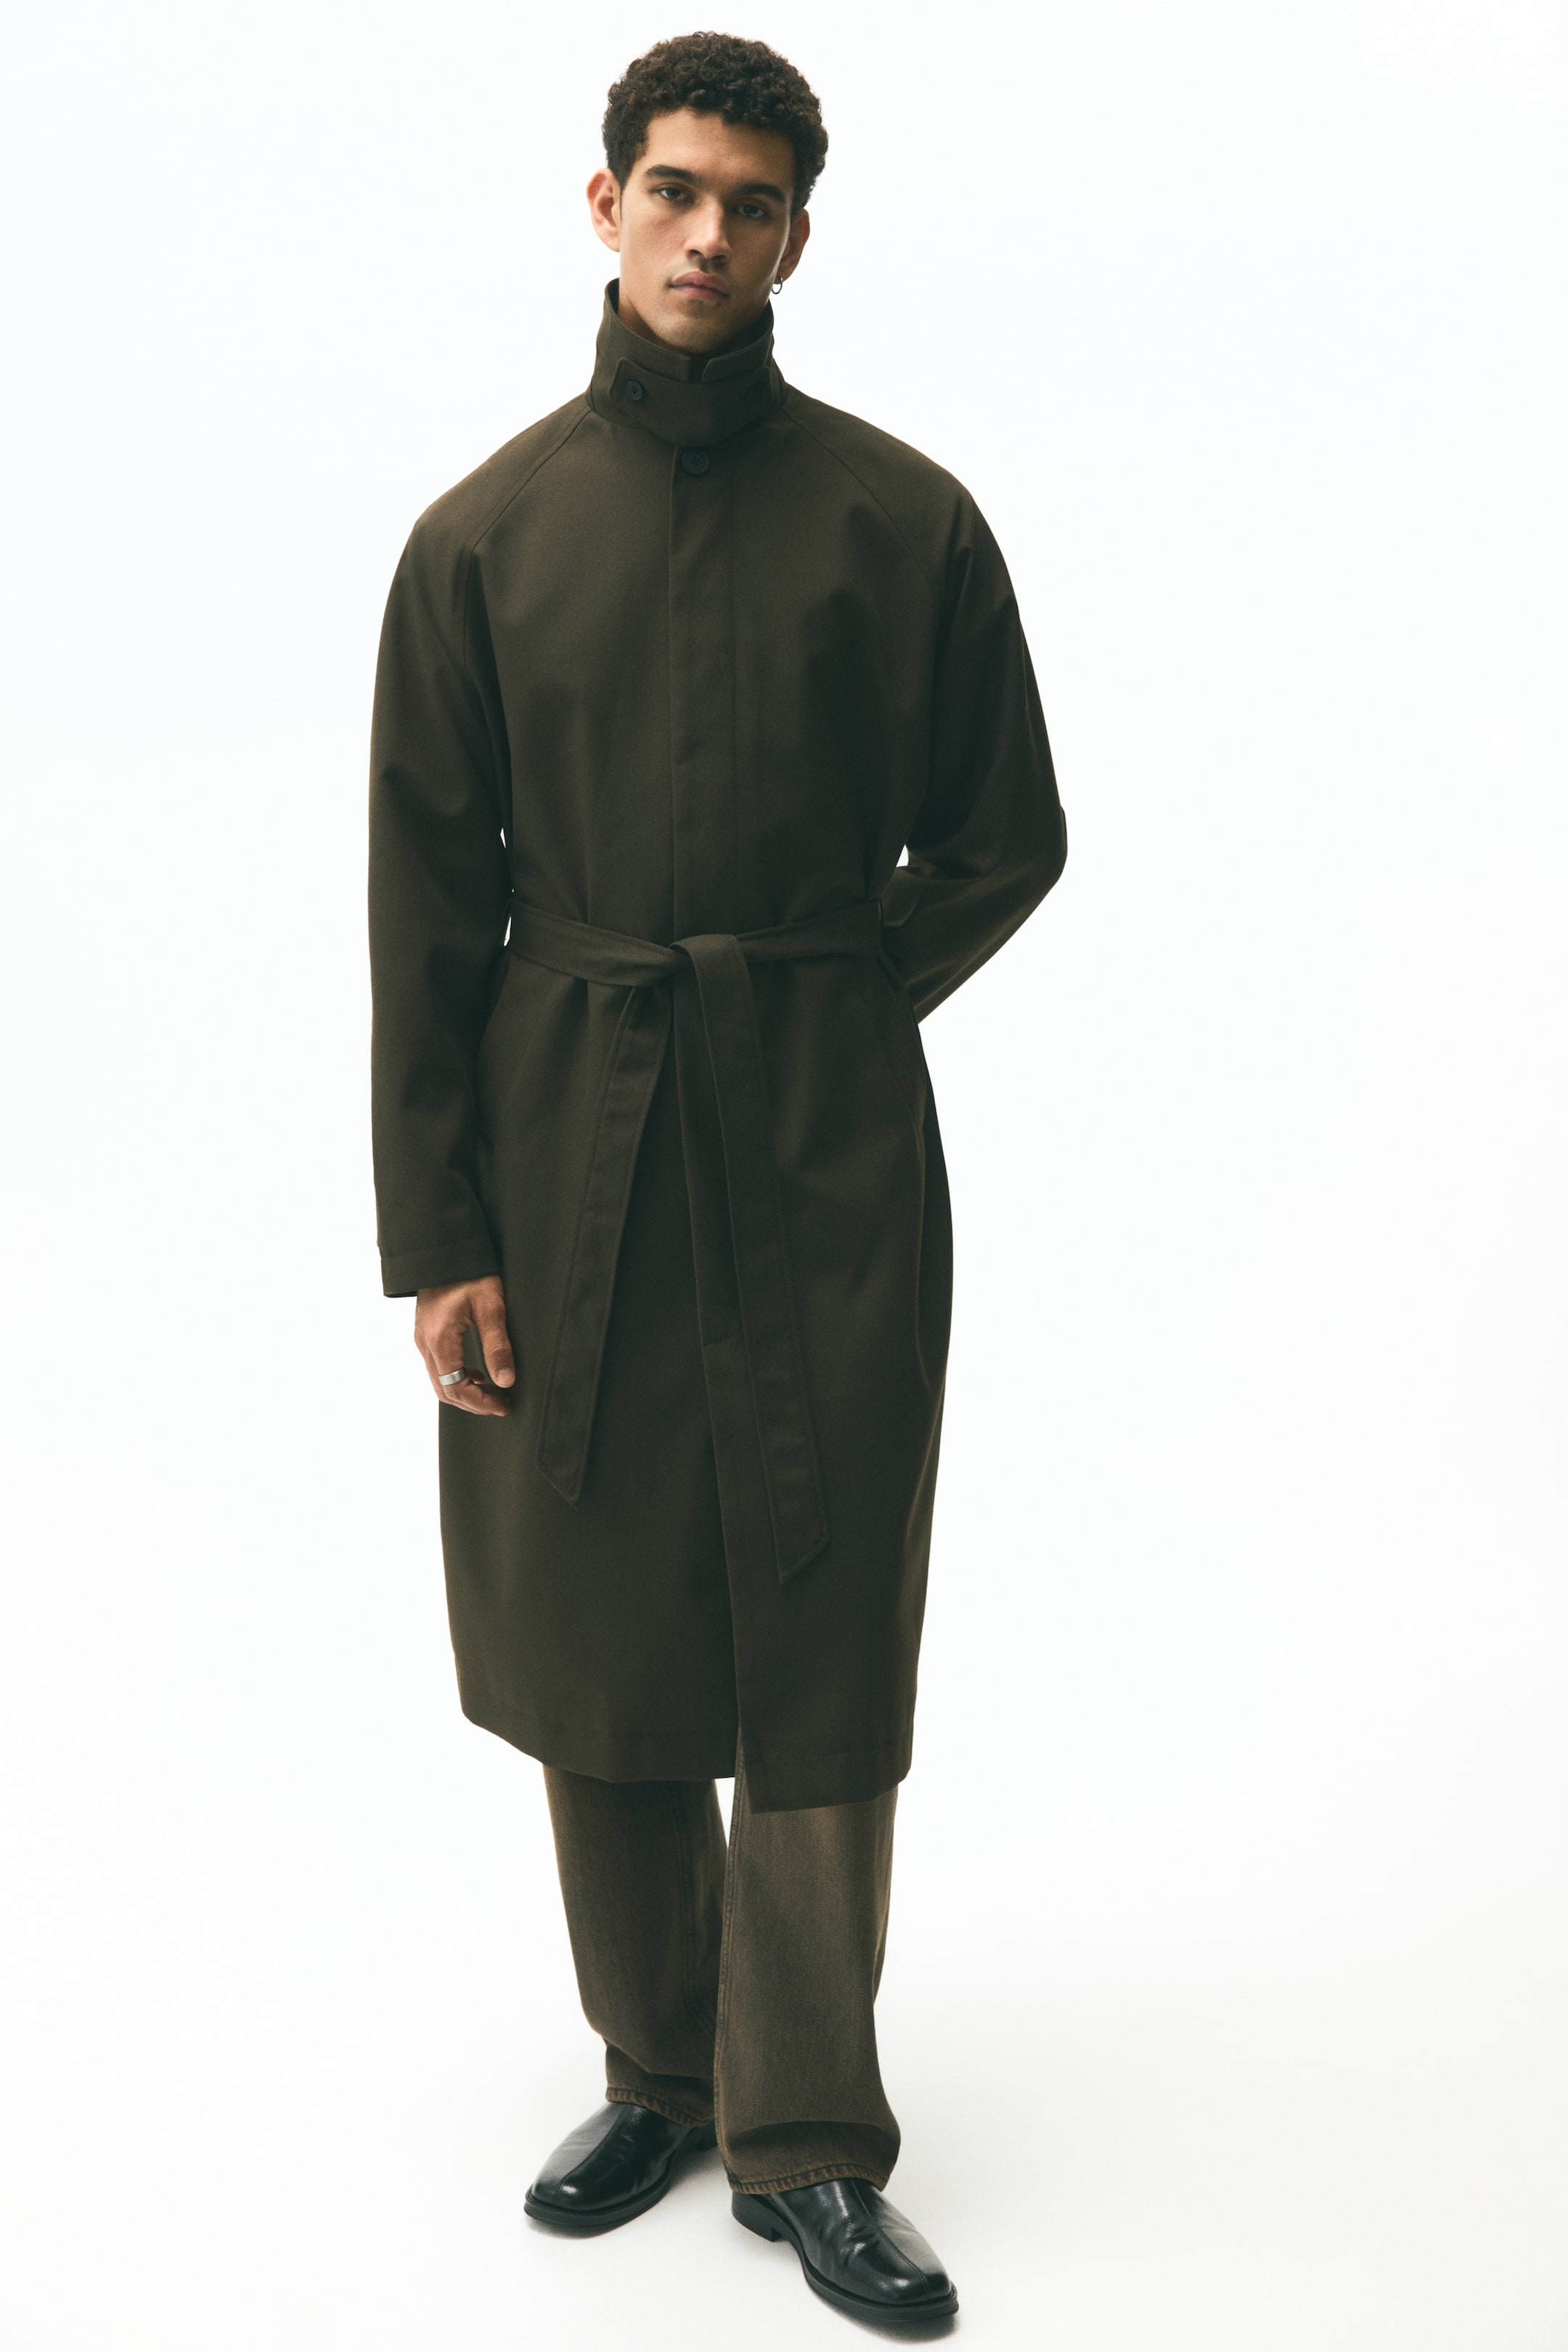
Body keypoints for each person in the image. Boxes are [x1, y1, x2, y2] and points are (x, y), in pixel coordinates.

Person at [368, 30, 1066, 2329]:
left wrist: (835, 1012)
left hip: (825, 1150)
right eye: (672, 189)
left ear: (795, 238)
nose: (706, 233)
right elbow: (423, 913)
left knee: (825, 1624)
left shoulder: (903, 521)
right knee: (601, 1608)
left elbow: (1006, 836)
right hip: (566, 1138)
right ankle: (659, 2069)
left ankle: (811, 2132)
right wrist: (442, 1235)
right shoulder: (482, 540)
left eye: (749, 204)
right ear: (605, 205)